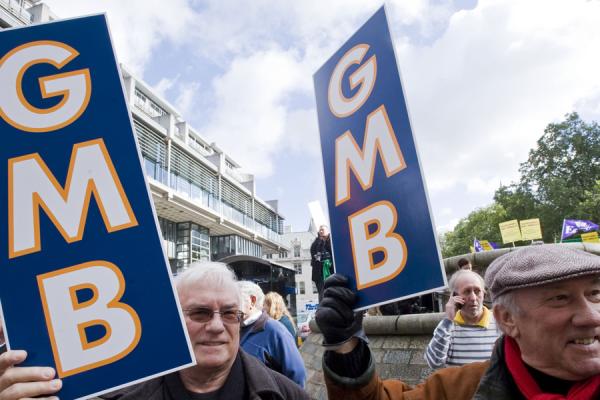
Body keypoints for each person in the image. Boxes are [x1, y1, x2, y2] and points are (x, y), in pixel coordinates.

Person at [316, 245, 600, 399]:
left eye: (595, 294)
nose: (591, 316)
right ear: (508, 319)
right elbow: (435, 361)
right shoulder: (460, 387)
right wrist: (346, 346)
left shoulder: (491, 326)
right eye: (559, 298)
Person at [0, 262, 309, 400]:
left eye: (229, 313)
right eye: (200, 313)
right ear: (171, 318)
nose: (217, 325)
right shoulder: (116, 393)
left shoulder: (286, 395)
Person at [425, 270, 499, 369]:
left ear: (484, 294)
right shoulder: (447, 327)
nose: (473, 298)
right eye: (467, 291)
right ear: (455, 297)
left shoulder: (500, 322)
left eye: (477, 291)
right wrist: (448, 319)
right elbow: (434, 363)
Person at [238, 281, 306, 388]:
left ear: (252, 301)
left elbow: (297, 376)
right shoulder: (234, 328)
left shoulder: (275, 331)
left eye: (235, 300)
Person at [310, 224, 333, 302]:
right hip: (320, 275)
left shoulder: (332, 240)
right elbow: (314, 256)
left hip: (332, 272)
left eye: (323, 229)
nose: (321, 231)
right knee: (322, 294)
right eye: (320, 230)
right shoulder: (316, 243)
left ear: (328, 231)